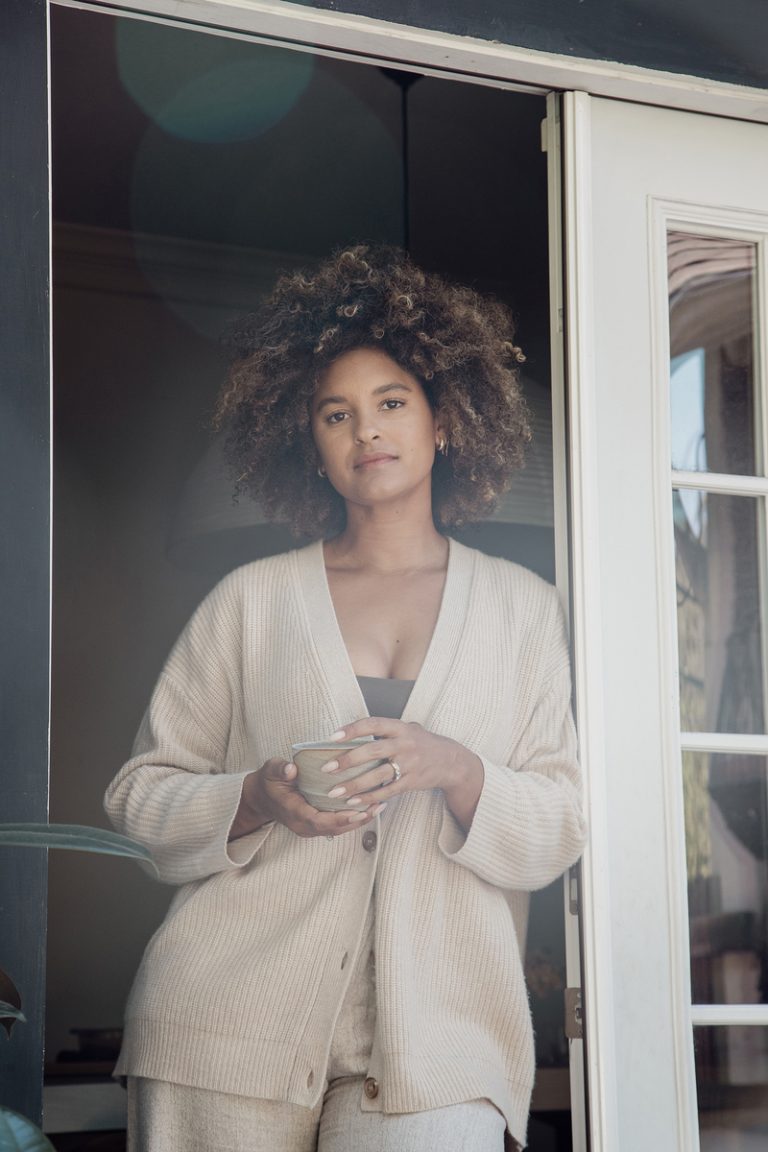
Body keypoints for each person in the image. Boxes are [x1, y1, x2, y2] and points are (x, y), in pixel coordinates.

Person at [104, 243, 587, 1152]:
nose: (367, 430)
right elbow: (140, 800)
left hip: (441, 1044)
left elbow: (560, 825)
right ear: (311, 447)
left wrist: (454, 768)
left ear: (445, 422)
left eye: (392, 403)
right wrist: (253, 796)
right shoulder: (250, 600)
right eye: (337, 414)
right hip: (222, 1031)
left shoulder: (526, 612)